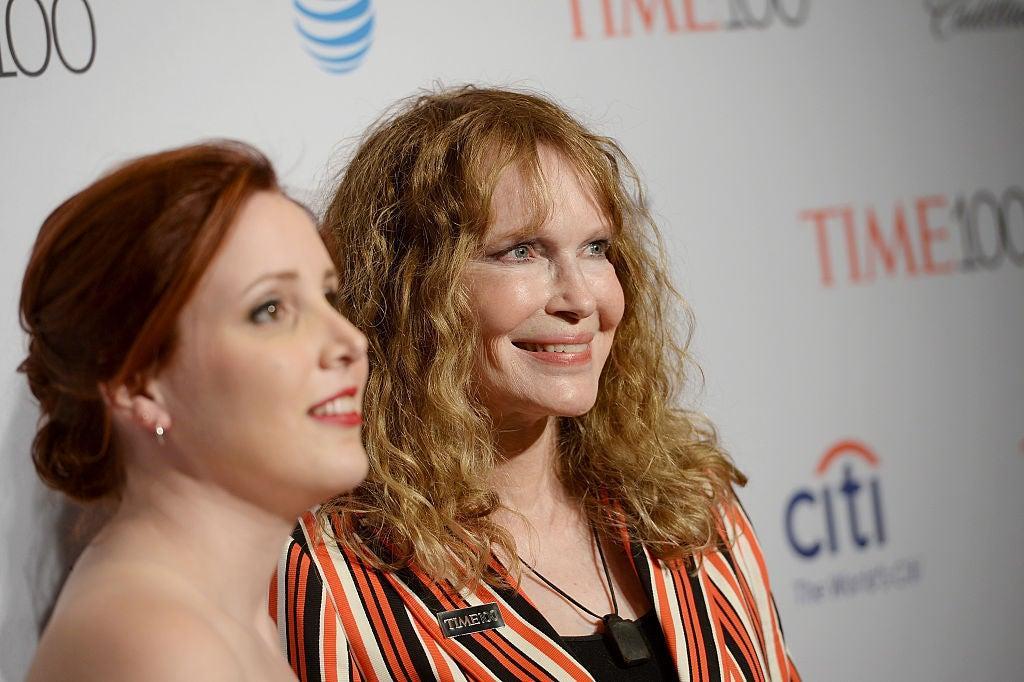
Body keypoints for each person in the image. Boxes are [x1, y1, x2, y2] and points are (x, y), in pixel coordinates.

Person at [277, 87, 799, 681]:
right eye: (520, 252)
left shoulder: (695, 506)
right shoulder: (332, 572)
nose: (581, 299)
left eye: (595, 249)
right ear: (409, 291)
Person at [20, 141, 369, 681]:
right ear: (138, 383)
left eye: (330, 297)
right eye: (269, 310)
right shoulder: (156, 649)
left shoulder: (211, 615)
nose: (349, 341)